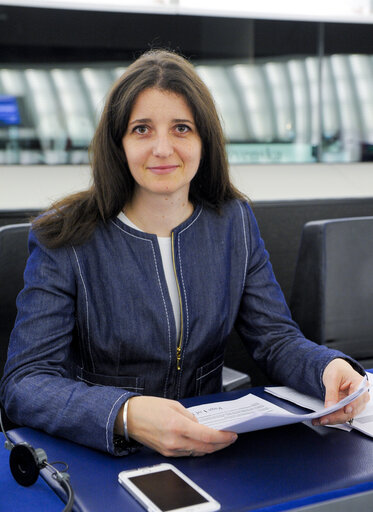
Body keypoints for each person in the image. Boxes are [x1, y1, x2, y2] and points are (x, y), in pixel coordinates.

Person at [0, 50, 369, 458]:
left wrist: (328, 368)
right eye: (141, 129)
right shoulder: (65, 236)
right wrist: (126, 414)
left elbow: (275, 339)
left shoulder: (234, 221)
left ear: (203, 140)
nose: (162, 148)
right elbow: (25, 381)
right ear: (118, 142)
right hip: (104, 452)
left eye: (181, 128)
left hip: (207, 450)